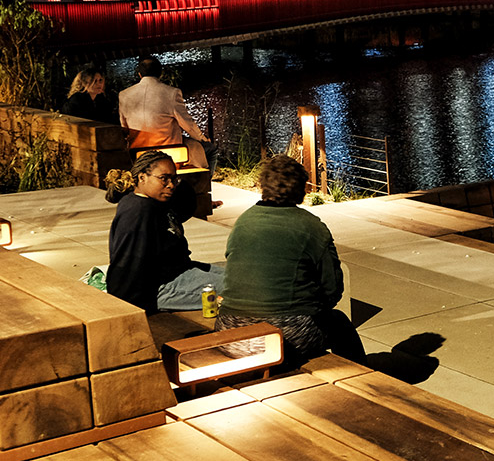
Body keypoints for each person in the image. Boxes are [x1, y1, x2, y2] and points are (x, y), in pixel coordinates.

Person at [214, 155, 367, 365]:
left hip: (229, 333)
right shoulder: (311, 226)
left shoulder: (244, 221)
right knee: (339, 323)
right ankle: (362, 378)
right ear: (301, 189)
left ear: (264, 186)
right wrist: (311, 305)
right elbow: (332, 288)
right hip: (284, 336)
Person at [105, 150, 223, 314]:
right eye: (163, 178)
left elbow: (184, 206)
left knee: (242, 276)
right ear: (142, 177)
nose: (171, 184)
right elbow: (126, 264)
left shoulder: (154, 203)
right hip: (160, 288)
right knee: (244, 288)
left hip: (180, 272)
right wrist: (131, 307)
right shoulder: (138, 212)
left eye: (174, 179)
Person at [119, 55, 215, 171]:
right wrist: (202, 138)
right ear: (160, 73)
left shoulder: (124, 95)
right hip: (168, 149)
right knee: (210, 149)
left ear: (140, 74)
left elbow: (124, 128)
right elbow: (188, 125)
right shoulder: (172, 93)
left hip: (137, 151)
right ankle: (205, 180)